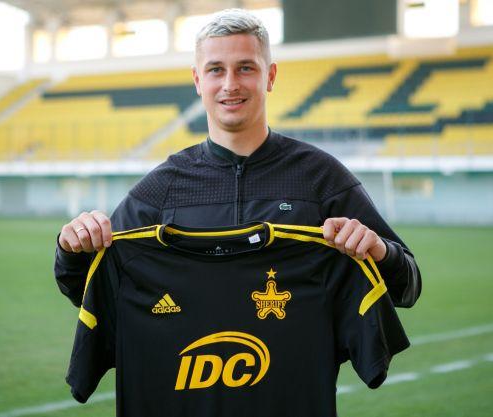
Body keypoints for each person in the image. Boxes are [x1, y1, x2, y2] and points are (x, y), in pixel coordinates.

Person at [54, 8, 421, 309]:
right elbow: (88, 290)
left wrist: (379, 251)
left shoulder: (320, 177)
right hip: (186, 378)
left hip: (296, 379)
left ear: (270, 76)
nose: (230, 84)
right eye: (216, 69)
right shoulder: (162, 187)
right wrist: (72, 248)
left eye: (246, 67)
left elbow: (407, 287)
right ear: (198, 80)